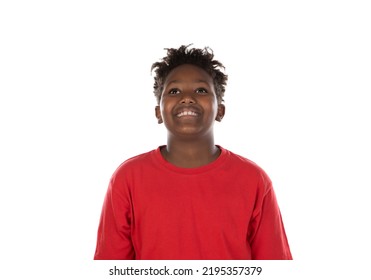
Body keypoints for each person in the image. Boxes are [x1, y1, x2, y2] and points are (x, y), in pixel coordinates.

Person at [94, 45, 292, 260]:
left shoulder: (254, 179)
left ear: (220, 110)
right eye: (174, 91)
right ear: (158, 112)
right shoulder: (128, 178)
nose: (187, 98)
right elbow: (111, 265)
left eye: (201, 90)